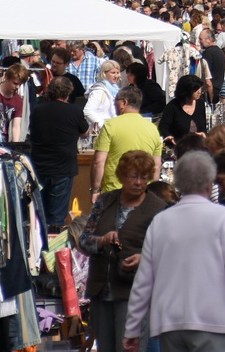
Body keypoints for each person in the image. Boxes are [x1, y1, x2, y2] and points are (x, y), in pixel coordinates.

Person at [122, 151, 225, 352]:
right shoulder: (223, 218)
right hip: (215, 321)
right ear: (210, 183)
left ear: (179, 183)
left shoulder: (161, 221)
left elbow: (144, 280)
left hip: (169, 323)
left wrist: (132, 328)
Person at [77, 150, 168, 352]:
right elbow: (83, 240)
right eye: (133, 176)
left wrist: (145, 258)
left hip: (134, 293)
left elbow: (167, 253)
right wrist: (101, 241)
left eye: (144, 177)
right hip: (101, 289)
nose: (138, 182)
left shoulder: (157, 208)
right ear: (122, 176)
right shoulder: (105, 200)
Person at [26, 76, 89, 227]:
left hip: (40, 166)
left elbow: (32, 132)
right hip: (63, 167)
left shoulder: (38, 109)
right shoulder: (75, 111)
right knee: (56, 218)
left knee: (39, 214)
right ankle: (53, 246)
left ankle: (39, 246)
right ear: (68, 93)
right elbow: (85, 131)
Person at [94, 85, 165, 194]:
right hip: (143, 191)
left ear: (124, 102)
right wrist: (152, 192)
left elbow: (99, 162)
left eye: (115, 101)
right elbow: (156, 165)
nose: (114, 104)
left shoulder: (110, 125)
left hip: (113, 191)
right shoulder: (153, 129)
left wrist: (95, 189)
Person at [159, 74, 210, 141]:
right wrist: (169, 137)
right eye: (195, 90)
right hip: (178, 146)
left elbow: (203, 127)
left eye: (200, 88)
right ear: (187, 91)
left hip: (198, 146)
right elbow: (163, 128)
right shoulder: (172, 107)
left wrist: (203, 134)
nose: (199, 92)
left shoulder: (200, 104)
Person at [86, 60, 125, 132]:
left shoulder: (115, 89)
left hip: (114, 128)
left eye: (117, 72)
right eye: (113, 73)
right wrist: (103, 126)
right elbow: (88, 111)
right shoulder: (98, 90)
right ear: (104, 73)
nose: (116, 76)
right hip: (102, 131)